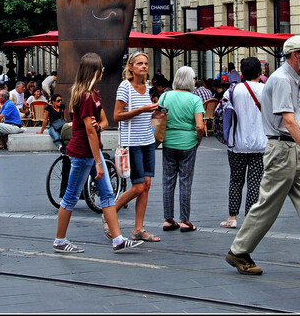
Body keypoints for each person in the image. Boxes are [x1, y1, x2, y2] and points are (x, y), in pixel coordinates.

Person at [225, 36, 300, 281]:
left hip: (293, 148)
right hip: (282, 149)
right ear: (294, 55)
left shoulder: (293, 79)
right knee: (268, 205)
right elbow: (289, 122)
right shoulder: (282, 80)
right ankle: (239, 251)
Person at [52, 52, 143, 253]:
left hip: (91, 152)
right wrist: (98, 162)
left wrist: (98, 128)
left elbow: (103, 122)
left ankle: (118, 239)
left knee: (108, 194)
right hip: (84, 152)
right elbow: (90, 132)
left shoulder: (93, 93)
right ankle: (59, 241)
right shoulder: (85, 97)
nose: (103, 71)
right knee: (71, 197)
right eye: (100, 68)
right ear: (93, 71)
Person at [107, 51, 162, 242]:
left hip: (148, 140)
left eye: (146, 63)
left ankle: (138, 229)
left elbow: (144, 115)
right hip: (132, 142)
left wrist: (155, 114)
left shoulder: (146, 87)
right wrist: (142, 109)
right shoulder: (125, 87)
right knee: (138, 187)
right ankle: (110, 211)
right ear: (130, 67)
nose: (144, 67)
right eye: (139, 63)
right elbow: (117, 116)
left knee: (146, 185)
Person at [220, 57, 266, 230]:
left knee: (236, 180)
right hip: (260, 142)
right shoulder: (266, 89)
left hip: (237, 142)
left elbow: (223, 110)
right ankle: (250, 218)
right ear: (259, 73)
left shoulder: (233, 90)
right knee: (255, 181)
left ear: (242, 73)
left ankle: (232, 217)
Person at [159, 66, 205, 233]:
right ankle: (185, 220)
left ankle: (168, 219)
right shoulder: (195, 100)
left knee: (168, 181)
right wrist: (198, 140)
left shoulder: (164, 97)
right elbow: (200, 126)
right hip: (188, 142)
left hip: (169, 142)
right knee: (186, 181)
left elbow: (158, 119)